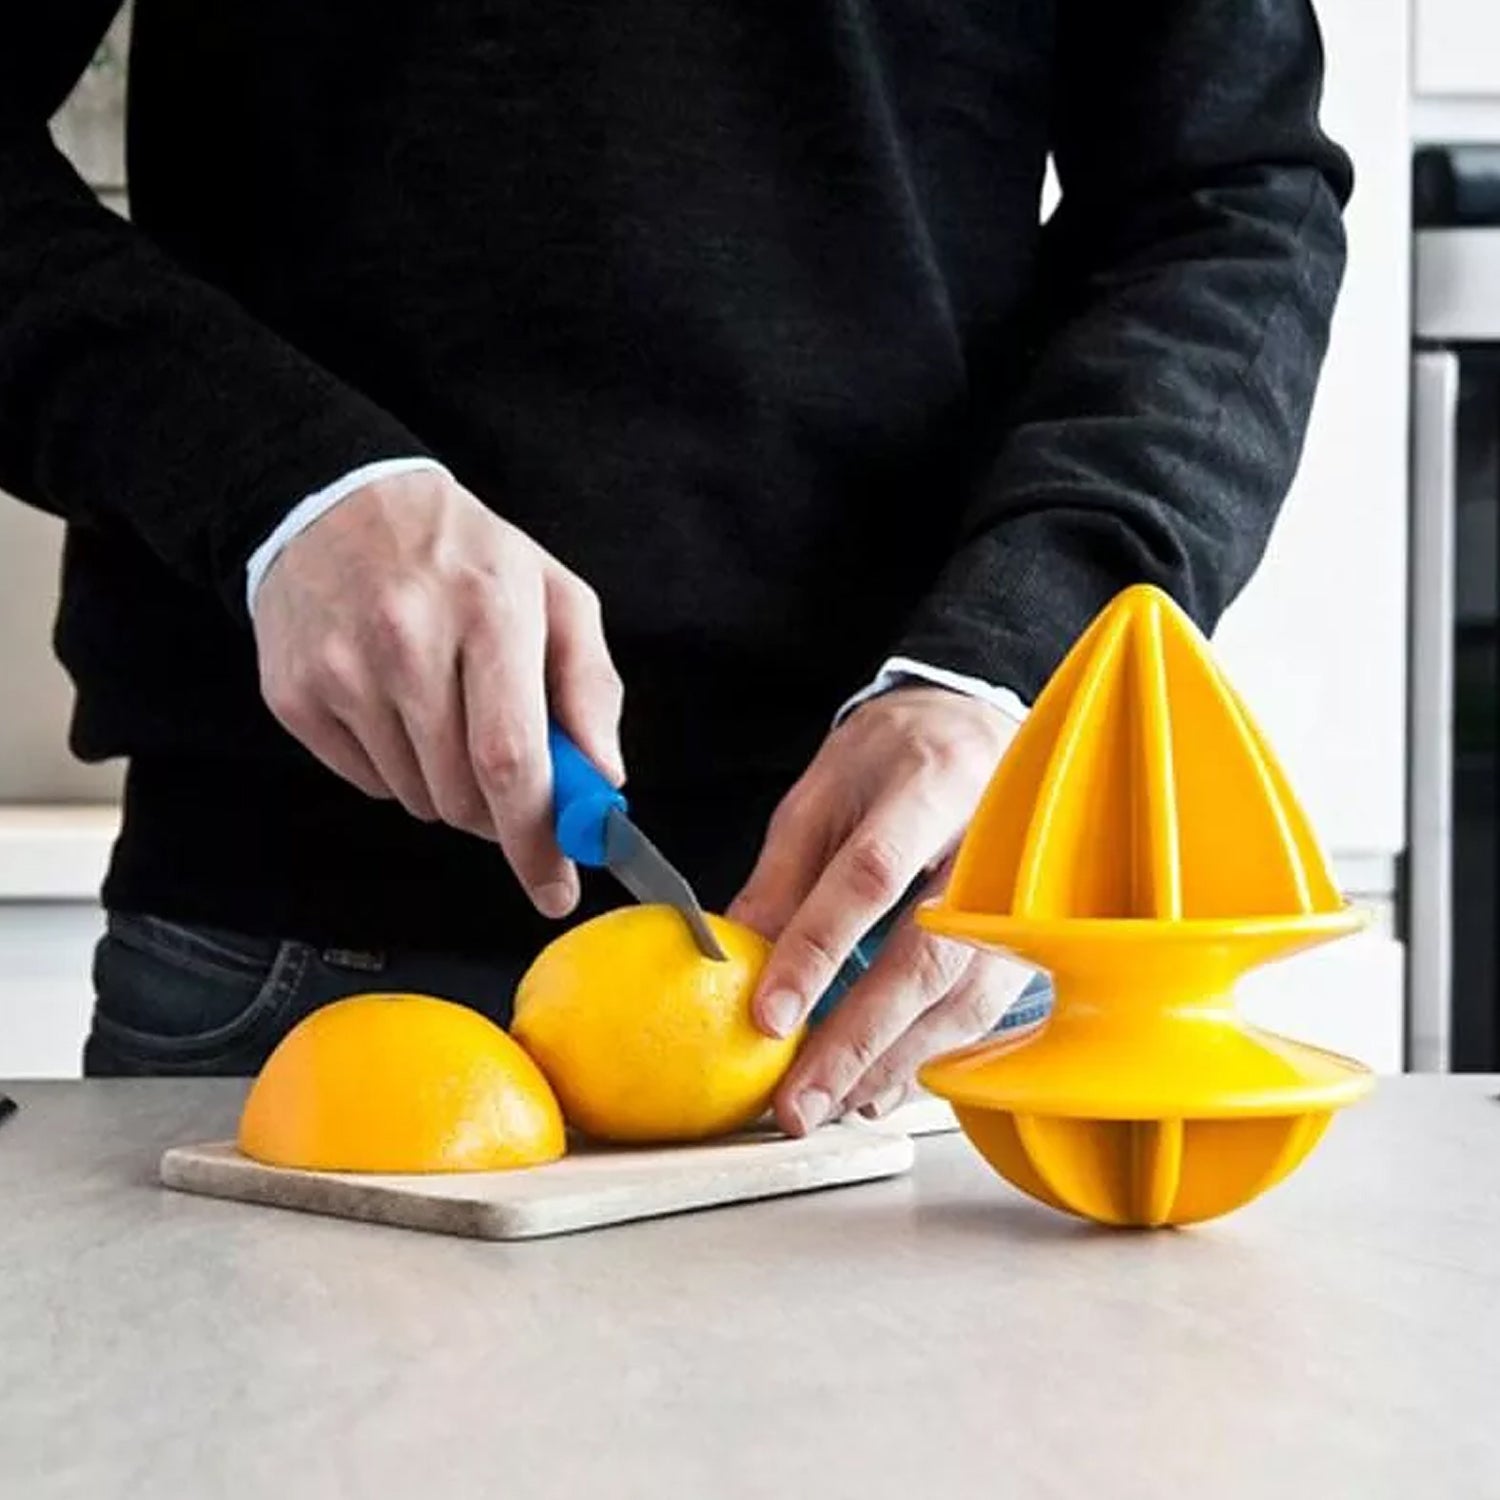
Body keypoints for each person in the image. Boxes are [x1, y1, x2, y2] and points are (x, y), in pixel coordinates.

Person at [0, 2, 1350, 1132]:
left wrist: (1014, 655)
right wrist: (282, 486)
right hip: (300, 970)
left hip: (918, 961)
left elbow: (1229, 192)